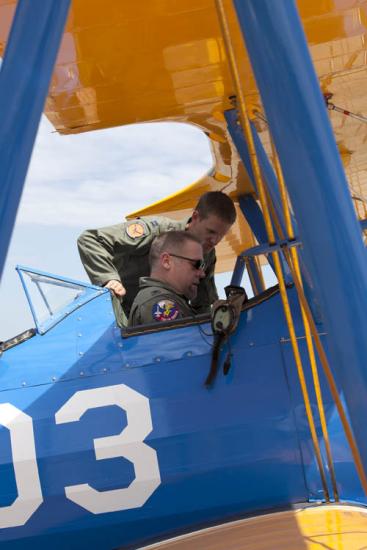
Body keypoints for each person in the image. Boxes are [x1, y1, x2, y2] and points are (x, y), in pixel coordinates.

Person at [77, 191, 236, 315]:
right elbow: (91, 239)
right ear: (195, 217)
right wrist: (109, 279)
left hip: (158, 320)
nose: (215, 240)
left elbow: (203, 302)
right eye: (211, 231)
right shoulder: (156, 231)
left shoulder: (207, 254)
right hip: (119, 319)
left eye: (221, 235)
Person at [128, 231, 205, 326]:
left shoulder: (173, 301)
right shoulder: (160, 304)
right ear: (166, 261)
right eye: (196, 264)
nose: (202, 274)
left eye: (202, 266)